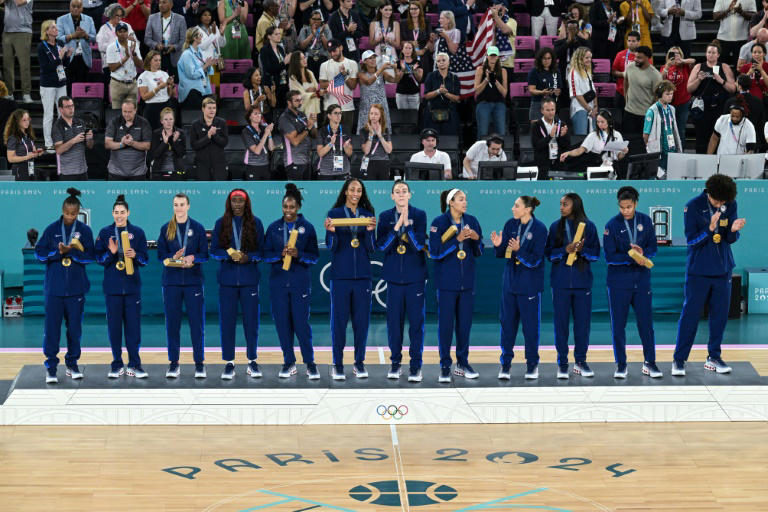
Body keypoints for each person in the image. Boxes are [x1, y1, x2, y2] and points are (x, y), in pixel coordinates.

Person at [673, 175, 747, 376]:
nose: (721, 204)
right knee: (690, 315)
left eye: (724, 201)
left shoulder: (729, 203)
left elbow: (730, 239)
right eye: (717, 201)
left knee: (720, 316)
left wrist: (733, 230)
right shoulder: (693, 206)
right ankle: (679, 360)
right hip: (699, 271)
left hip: (723, 269)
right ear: (709, 193)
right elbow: (691, 241)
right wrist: (710, 228)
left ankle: (714, 357)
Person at [35, 188, 95, 384]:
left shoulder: (85, 231)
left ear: (78, 213)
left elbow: (91, 257)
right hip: (54, 289)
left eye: (74, 214)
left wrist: (73, 253)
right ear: (62, 210)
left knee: (74, 330)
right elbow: (39, 254)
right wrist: (57, 253)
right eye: (67, 213)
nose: (70, 217)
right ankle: (51, 368)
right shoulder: (52, 230)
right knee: (52, 330)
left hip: (76, 289)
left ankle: (72, 364)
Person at [263, 184, 320, 379]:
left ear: (298, 208)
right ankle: (289, 362)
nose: (288, 211)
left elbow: (314, 257)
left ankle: (310, 363)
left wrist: (299, 254)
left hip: (299, 283)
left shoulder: (308, 228)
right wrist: (279, 255)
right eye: (285, 207)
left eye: (292, 207)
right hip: (278, 283)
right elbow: (265, 255)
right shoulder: (273, 228)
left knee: (301, 325)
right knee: (282, 324)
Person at [603, 186, 660, 379]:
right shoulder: (611, 225)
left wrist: (643, 254)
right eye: (622, 207)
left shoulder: (645, 221)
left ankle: (650, 363)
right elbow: (609, 256)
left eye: (629, 206)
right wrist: (631, 257)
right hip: (619, 282)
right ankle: (620, 365)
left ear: (635, 204)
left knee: (646, 324)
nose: (625, 210)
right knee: (618, 325)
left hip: (642, 281)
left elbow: (653, 247)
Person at [323, 178, 377, 380]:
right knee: (338, 323)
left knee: (361, 323)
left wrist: (371, 233)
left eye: (359, 190)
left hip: (363, 277)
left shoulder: (368, 215)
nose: (356, 193)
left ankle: (359, 363)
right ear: (345, 191)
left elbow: (372, 248)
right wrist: (331, 233)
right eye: (352, 189)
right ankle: (337, 364)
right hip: (340, 277)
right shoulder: (334, 214)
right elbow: (331, 247)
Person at [429, 188, 483, 383]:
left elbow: (479, 251)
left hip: (467, 284)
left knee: (464, 326)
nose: (465, 202)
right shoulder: (439, 222)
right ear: (451, 202)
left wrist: (477, 240)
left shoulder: (472, 220)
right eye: (461, 199)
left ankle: (462, 363)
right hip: (446, 284)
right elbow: (434, 253)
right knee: (445, 326)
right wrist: (456, 241)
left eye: (465, 199)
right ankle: (445, 365)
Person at [210, 189, 265, 380]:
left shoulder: (256, 223)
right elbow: (214, 251)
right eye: (234, 201)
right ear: (229, 203)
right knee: (227, 323)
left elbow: (262, 253)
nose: (237, 204)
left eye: (241, 201)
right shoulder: (221, 223)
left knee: (251, 323)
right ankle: (229, 363)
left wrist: (248, 257)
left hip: (249, 280)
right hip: (227, 281)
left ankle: (252, 361)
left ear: (246, 203)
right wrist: (228, 255)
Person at [491, 195, 547, 380]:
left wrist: (519, 250)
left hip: (529, 285)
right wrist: (498, 246)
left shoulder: (539, 229)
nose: (512, 208)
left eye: (516, 206)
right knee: (507, 326)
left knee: (530, 329)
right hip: (510, 284)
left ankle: (532, 365)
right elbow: (504, 254)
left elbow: (537, 260)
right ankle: (505, 365)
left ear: (527, 209)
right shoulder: (510, 225)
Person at [376, 180, 427, 382]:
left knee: (416, 324)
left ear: (410, 194)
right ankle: (395, 363)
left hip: (415, 278)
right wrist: (397, 226)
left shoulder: (419, 215)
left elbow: (418, 245)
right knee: (394, 324)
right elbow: (382, 247)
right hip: (394, 279)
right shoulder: (385, 217)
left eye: (404, 191)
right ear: (392, 196)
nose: (401, 195)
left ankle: (415, 366)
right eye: (397, 192)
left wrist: (407, 226)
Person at [545, 193, 600, 379]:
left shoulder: (589, 226)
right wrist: (564, 250)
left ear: (575, 205)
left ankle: (581, 362)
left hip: (582, 283)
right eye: (560, 204)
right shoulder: (555, 227)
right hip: (560, 284)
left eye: (565, 204)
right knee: (561, 326)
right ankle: (562, 363)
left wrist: (582, 250)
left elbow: (596, 254)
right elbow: (549, 254)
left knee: (582, 325)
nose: (561, 207)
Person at [95, 194, 149, 379]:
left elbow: (145, 260)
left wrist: (135, 255)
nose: (119, 216)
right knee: (114, 329)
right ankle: (117, 364)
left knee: (134, 329)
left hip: (132, 289)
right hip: (112, 289)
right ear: (112, 213)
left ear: (128, 213)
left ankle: (135, 364)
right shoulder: (104, 233)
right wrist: (111, 253)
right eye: (116, 212)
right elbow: (99, 259)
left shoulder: (138, 232)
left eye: (122, 212)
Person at [157, 193, 209, 379]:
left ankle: (199, 364)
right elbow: (160, 256)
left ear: (188, 206)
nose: (178, 208)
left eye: (181, 204)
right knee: (172, 325)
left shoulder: (197, 228)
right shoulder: (166, 228)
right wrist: (174, 258)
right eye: (175, 205)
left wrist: (192, 257)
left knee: (197, 325)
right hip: (171, 283)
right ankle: (174, 364)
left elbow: (205, 254)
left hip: (193, 282)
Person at [687, 41, 736, 155]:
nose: (711, 55)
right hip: (702, 109)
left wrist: (721, 81)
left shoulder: (724, 67)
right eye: (709, 52)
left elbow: (732, 89)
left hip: (719, 108)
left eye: (714, 52)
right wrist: (698, 79)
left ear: (718, 55)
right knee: (701, 138)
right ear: (706, 54)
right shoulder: (699, 67)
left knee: (718, 136)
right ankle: (701, 163)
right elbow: (689, 88)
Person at [38, 20, 73, 153]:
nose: (56, 29)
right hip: (48, 84)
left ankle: (61, 140)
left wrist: (67, 57)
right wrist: (59, 57)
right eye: (53, 27)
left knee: (62, 113)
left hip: (61, 82)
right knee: (48, 115)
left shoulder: (59, 43)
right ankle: (48, 143)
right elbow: (46, 68)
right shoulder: (42, 47)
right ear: (46, 31)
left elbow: (64, 65)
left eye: (56, 27)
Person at [560, 109, 629, 174]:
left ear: (609, 121)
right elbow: (580, 150)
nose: (599, 124)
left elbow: (619, 157)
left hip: (612, 167)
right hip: (597, 167)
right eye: (598, 122)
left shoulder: (617, 135)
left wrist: (623, 152)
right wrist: (569, 153)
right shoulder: (593, 135)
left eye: (602, 122)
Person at [57, 0, 98, 95]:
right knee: (68, 86)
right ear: (70, 7)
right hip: (68, 57)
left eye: (78, 6)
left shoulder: (89, 19)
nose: (75, 8)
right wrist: (73, 35)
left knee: (82, 87)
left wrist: (85, 35)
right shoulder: (61, 19)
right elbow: (58, 38)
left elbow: (94, 38)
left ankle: (80, 107)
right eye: (73, 6)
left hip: (83, 58)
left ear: (82, 8)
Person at [104, 99, 152, 180]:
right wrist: (122, 144)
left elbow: (147, 145)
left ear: (135, 110)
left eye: (129, 112)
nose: (126, 114)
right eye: (124, 111)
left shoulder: (144, 123)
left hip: (138, 173)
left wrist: (132, 143)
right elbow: (107, 144)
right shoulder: (114, 122)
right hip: (116, 172)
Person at [318, 39, 359, 134]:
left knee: (346, 140)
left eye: (334, 50)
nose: (332, 54)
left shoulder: (352, 64)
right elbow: (323, 84)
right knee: (328, 139)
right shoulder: (324, 65)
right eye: (330, 51)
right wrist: (340, 78)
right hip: (329, 108)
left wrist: (345, 75)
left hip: (347, 108)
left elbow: (352, 85)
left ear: (341, 47)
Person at [278, 90, 318, 180]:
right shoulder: (285, 118)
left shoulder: (302, 114)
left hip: (306, 160)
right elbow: (295, 141)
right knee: (295, 191)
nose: (300, 102)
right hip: (293, 161)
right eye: (296, 100)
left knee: (306, 191)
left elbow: (314, 135)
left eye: (301, 100)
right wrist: (308, 127)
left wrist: (312, 123)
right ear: (289, 102)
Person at [643, 80, 681, 175]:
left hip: (672, 149)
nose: (670, 96)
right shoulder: (652, 111)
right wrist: (649, 150)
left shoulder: (672, 109)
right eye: (667, 94)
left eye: (672, 94)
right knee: (659, 178)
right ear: (660, 94)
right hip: (659, 151)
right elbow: (645, 134)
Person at [623, 45, 662, 136]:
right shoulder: (630, 67)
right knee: (628, 141)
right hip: (629, 112)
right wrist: (626, 98)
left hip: (645, 115)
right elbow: (626, 81)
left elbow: (657, 96)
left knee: (643, 144)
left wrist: (651, 113)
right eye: (635, 56)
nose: (636, 59)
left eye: (639, 58)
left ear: (647, 58)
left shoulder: (655, 75)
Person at [52, 96, 94, 180]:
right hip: (67, 173)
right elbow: (58, 150)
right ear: (60, 109)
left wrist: (89, 139)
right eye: (67, 107)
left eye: (72, 106)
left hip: (83, 171)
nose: (71, 109)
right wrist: (74, 140)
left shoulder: (80, 122)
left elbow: (90, 146)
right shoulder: (57, 126)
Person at [357, 50, 397, 135]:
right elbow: (369, 81)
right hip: (367, 108)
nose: (373, 60)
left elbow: (395, 80)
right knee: (366, 136)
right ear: (364, 61)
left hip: (381, 107)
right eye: (370, 58)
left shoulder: (382, 73)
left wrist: (396, 69)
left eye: (374, 58)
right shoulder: (360, 74)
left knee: (383, 134)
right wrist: (381, 68)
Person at [144, 0, 187, 78]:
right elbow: (147, 39)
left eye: (164, 2)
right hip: (157, 55)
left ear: (171, 4)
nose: (161, 5)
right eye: (159, 3)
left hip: (174, 57)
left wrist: (174, 47)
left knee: (174, 84)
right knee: (157, 84)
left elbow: (183, 40)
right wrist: (156, 45)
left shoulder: (180, 19)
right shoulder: (152, 18)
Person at [660, 45, 694, 141]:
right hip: (668, 103)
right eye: (672, 54)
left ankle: (680, 153)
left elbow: (693, 61)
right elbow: (660, 79)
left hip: (683, 102)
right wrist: (667, 66)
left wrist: (682, 61)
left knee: (680, 130)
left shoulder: (685, 66)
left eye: (677, 53)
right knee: (668, 129)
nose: (675, 55)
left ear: (681, 55)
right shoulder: (665, 67)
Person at [2, 0, 34, 103]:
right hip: (7, 31)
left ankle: (26, 94)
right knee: (7, 65)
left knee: (24, 65)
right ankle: (9, 92)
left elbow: (19, 2)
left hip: (23, 32)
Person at [531, 96, 570, 180]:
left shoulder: (561, 124)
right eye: (548, 110)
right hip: (542, 165)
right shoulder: (536, 125)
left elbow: (567, 146)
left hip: (559, 163)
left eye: (552, 110)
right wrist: (550, 137)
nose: (551, 113)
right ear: (542, 111)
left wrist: (562, 137)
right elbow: (536, 145)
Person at [190, 96, 229, 180]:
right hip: (201, 163)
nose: (212, 110)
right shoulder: (195, 124)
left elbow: (224, 142)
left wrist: (215, 135)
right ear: (203, 109)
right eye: (209, 108)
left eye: (214, 108)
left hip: (219, 163)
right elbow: (194, 145)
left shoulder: (221, 122)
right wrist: (207, 137)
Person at [106, 23, 143, 110]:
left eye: (125, 31)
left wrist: (133, 54)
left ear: (128, 32)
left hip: (132, 83)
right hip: (117, 84)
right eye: (120, 31)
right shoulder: (111, 47)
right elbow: (112, 68)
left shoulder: (134, 45)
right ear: (116, 33)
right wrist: (126, 57)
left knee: (132, 113)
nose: (123, 34)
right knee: (117, 113)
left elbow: (140, 65)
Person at [474, 46, 508, 138]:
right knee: (482, 133)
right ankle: (481, 151)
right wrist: (486, 80)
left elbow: (504, 93)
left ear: (498, 57)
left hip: (499, 103)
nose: (493, 57)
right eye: (491, 55)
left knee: (501, 132)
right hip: (484, 103)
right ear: (487, 56)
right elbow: (477, 91)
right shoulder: (480, 70)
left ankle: (499, 151)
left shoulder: (503, 71)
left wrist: (495, 81)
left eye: (495, 56)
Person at [423, 53, 461, 135]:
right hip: (432, 113)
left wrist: (446, 94)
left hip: (450, 114)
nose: (441, 62)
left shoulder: (455, 78)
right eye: (438, 61)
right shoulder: (430, 76)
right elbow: (426, 96)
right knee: (432, 139)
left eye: (444, 60)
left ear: (448, 62)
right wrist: (438, 91)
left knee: (450, 139)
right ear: (436, 64)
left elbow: (457, 98)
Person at [137, 51, 176, 131]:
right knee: (152, 133)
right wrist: (158, 88)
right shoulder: (143, 76)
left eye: (159, 60)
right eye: (155, 60)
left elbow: (171, 95)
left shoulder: (164, 74)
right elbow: (144, 97)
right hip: (152, 107)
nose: (158, 62)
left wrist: (170, 86)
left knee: (167, 132)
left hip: (166, 105)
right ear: (149, 61)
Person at [177, 27, 215, 109]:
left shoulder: (199, 52)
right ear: (195, 38)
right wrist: (205, 66)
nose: (201, 37)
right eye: (200, 35)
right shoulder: (187, 54)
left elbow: (205, 70)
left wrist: (208, 65)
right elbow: (192, 74)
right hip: (192, 91)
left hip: (203, 88)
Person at [713, 0, 756, 65]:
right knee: (720, 65)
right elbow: (715, 16)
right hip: (723, 37)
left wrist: (741, 12)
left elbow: (754, 16)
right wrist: (728, 10)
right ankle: (718, 75)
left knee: (740, 66)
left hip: (742, 38)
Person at [728, 74, 765, 151]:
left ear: (740, 86)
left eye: (736, 82)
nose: (735, 83)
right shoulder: (758, 102)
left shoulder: (730, 102)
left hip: (734, 140)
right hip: (753, 139)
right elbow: (761, 124)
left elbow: (726, 123)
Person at [317, 104, 354, 179]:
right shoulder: (322, 131)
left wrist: (346, 147)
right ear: (329, 115)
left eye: (340, 113)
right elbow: (320, 153)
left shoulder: (346, 130)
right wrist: (331, 144)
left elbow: (350, 153)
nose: (338, 115)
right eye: (335, 113)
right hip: (326, 171)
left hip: (343, 171)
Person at [5, 109, 44, 181]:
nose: (27, 122)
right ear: (17, 121)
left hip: (30, 166)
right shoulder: (13, 137)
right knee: (24, 190)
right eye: (24, 120)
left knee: (32, 189)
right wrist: (27, 157)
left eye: (28, 119)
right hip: (20, 168)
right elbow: (10, 159)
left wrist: (37, 153)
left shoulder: (28, 135)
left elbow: (32, 152)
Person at [148, 107, 186, 179]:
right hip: (159, 171)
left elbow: (182, 154)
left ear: (174, 120)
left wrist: (175, 141)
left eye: (171, 119)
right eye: (166, 119)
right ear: (161, 121)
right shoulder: (156, 133)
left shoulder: (180, 133)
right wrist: (164, 142)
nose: (169, 122)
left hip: (177, 170)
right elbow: (154, 155)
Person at [567, 46, 597, 136]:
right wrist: (590, 110)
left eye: (590, 58)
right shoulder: (573, 72)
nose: (589, 60)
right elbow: (577, 95)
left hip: (591, 109)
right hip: (579, 109)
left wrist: (595, 107)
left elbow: (593, 91)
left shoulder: (587, 70)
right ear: (579, 58)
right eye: (586, 58)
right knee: (581, 138)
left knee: (594, 138)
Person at [527, 47, 562, 121]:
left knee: (552, 130)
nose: (547, 61)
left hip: (552, 104)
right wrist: (542, 92)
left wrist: (556, 92)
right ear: (540, 59)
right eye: (544, 58)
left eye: (549, 58)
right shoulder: (534, 72)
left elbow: (559, 89)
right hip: (538, 103)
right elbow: (531, 90)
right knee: (536, 130)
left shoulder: (556, 71)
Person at [241, 104, 275, 180]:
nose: (258, 115)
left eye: (259, 113)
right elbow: (257, 151)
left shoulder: (264, 128)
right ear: (249, 117)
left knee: (265, 190)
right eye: (255, 114)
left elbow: (271, 148)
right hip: (252, 165)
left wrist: (269, 134)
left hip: (265, 165)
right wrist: (266, 134)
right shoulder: (246, 131)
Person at [400, 1, 436, 72]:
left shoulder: (426, 22)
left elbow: (430, 40)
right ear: (409, 10)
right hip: (408, 53)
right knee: (410, 78)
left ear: (420, 10)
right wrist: (410, 42)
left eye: (416, 9)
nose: (413, 11)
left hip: (423, 53)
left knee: (423, 77)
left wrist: (423, 50)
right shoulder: (403, 23)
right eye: (411, 9)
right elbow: (401, 42)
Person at [260, 26, 291, 108]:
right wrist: (284, 63)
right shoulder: (264, 50)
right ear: (269, 36)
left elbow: (284, 66)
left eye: (279, 34)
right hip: (272, 84)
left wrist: (289, 62)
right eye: (276, 34)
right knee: (274, 108)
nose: (279, 36)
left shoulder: (280, 48)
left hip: (283, 83)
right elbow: (269, 69)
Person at [360, 103, 393, 180]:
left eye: (376, 114)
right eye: (371, 113)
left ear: (380, 116)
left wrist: (380, 136)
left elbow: (389, 150)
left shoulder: (385, 130)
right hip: (369, 162)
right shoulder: (363, 131)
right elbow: (366, 151)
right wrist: (371, 135)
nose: (373, 116)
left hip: (383, 162)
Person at [612, 30, 641, 110]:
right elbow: (613, 72)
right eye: (629, 41)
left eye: (633, 41)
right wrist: (623, 74)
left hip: (637, 93)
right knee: (618, 119)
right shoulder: (620, 54)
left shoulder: (643, 56)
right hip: (621, 92)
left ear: (638, 42)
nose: (630, 43)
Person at [298, 10, 333, 78]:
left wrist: (321, 35)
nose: (316, 21)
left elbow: (329, 47)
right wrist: (312, 34)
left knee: (323, 82)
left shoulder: (326, 30)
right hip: (309, 59)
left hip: (323, 59)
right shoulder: (304, 30)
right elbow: (302, 46)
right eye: (313, 19)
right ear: (309, 20)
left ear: (321, 21)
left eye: (318, 19)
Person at [197, 8, 226, 88]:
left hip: (216, 62)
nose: (207, 17)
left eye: (209, 15)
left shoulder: (214, 27)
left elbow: (222, 44)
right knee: (207, 87)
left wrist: (222, 35)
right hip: (205, 63)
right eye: (205, 15)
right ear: (200, 17)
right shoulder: (196, 29)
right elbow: (202, 46)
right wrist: (212, 34)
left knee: (216, 87)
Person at [288, 51, 323, 116]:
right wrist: (311, 93)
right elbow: (298, 95)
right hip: (301, 110)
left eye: (304, 57)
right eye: (301, 59)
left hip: (313, 107)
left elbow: (318, 87)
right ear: (296, 61)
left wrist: (315, 89)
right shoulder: (293, 77)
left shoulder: (310, 73)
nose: (305, 60)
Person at [369, 4, 400, 73]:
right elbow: (371, 43)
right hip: (378, 54)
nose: (388, 12)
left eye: (390, 10)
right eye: (386, 10)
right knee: (379, 78)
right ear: (380, 10)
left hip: (391, 55)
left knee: (391, 79)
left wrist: (389, 40)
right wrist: (378, 40)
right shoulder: (373, 24)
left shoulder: (396, 24)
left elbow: (397, 44)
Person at [395, 41, 424, 110]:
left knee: (414, 118)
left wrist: (414, 70)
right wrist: (402, 69)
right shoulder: (398, 63)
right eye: (406, 48)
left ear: (412, 50)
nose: (407, 50)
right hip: (401, 94)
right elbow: (397, 79)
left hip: (414, 94)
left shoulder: (418, 62)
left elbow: (419, 79)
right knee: (402, 118)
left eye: (410, 48)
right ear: (402, 50)